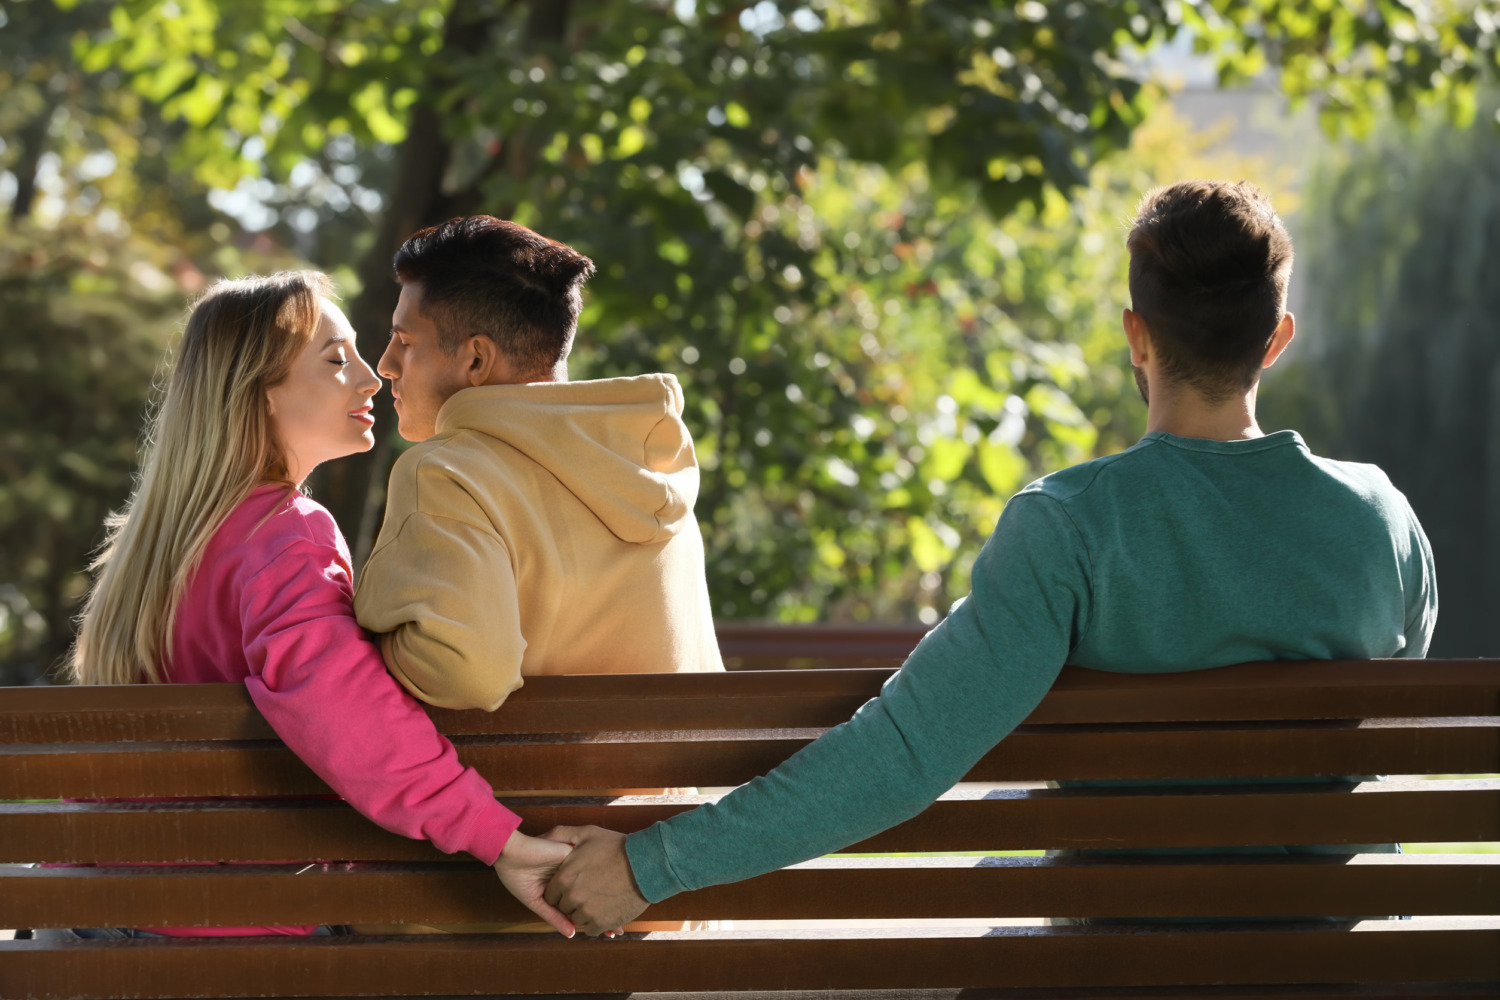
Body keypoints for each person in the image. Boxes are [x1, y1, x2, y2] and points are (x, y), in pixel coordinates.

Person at [540, 179, 1440, 935]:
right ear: (1276, 339)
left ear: (1137, 334)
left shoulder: (1072, 526)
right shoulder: (1380, 520)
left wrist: (649, 867)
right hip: (1332, 949)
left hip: (1111, 964)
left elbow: (905, 754)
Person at [56, 271, 574, 941]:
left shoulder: (155, 546)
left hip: (85, 921)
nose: (370, 378)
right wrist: (498, 839)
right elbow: (343, 709)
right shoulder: (287, 533)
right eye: (336, 360)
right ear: (258, 392)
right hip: (213, 940)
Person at [353, 216, 721, 712]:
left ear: (477, 361)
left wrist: (366, 640)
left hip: (531, 789)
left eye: (406, 341)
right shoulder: (649, 460)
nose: (386, 363)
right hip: (683, 789)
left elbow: (470, 675)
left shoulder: (447, 473)